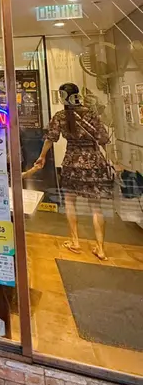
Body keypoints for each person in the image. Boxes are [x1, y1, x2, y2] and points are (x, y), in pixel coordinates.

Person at [33, 82, 112, 260]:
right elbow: (104, 139)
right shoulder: (91, 114)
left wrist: (42, 156)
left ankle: (75, 241)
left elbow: (50, 138)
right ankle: (100, 248)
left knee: (69, 201)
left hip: (72, 161)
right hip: (94, 161)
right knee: (96, 206)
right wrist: (112, 161)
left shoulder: (60, 116)